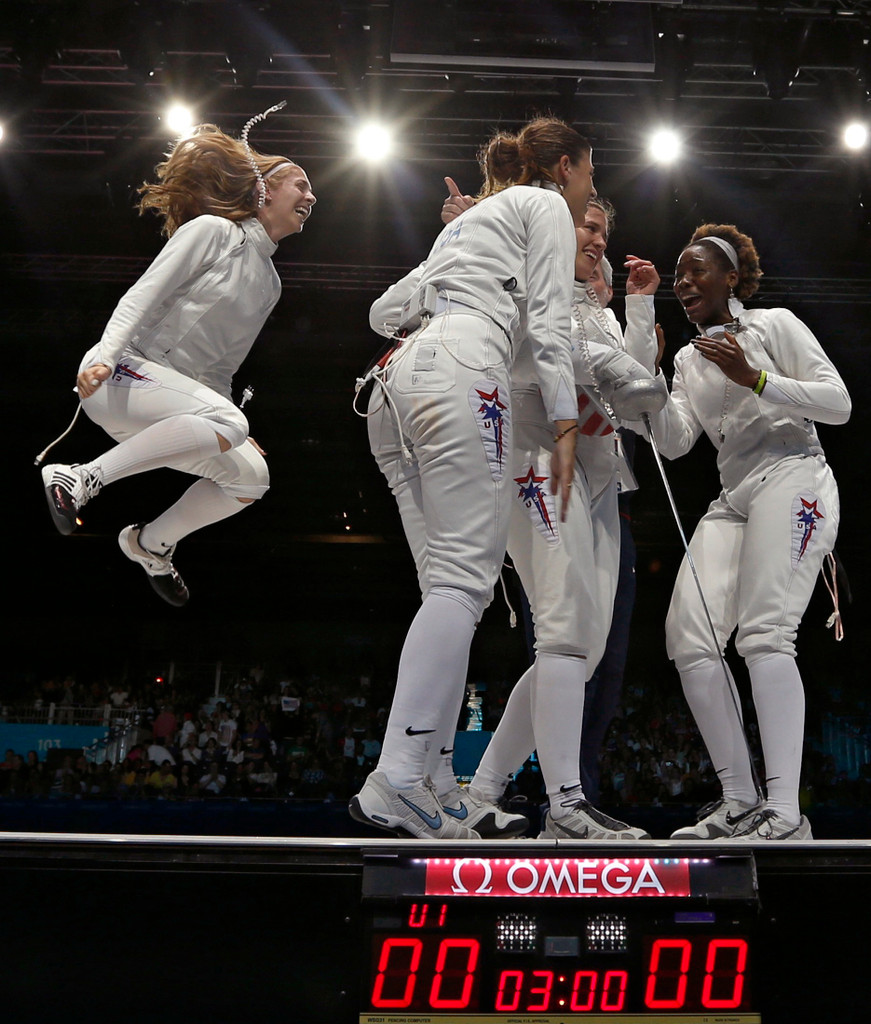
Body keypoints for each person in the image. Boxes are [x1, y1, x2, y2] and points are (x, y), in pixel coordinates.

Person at [350, 117, 594, 840]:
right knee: (463, 583)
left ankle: (426, 779)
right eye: (587, 174)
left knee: (447, 591)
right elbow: (549, 323)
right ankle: (396, 777)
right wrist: (563, 423)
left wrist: (466, 278)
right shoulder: (545, 205)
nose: (588, 191)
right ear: (563, 169)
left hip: (394, 383)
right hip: (462, 373)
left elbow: (382, 311)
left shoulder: (471, 221)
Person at [40, 105, 316, 605]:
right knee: (230, 424)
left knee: (253, 476)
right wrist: (104, 355)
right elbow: (141, 295)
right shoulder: (213, 231)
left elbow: (219, 370)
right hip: (120, 374)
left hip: (166, 409)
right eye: (300, 184)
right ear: (265, 190)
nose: (311, 196)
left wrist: (232, 429)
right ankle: (79, 477)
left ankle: (149, 544)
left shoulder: (270, 283)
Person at [459, 198, 664, 838]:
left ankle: (482, 792)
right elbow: (583, 367)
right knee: (564, 634)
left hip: (601, 478)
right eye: (589, 226)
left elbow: (639, 394)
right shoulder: (527, 284)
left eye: (606, 229)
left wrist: (636, 310)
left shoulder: (595, 308)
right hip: (536, 461)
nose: (599, 240)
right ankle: (566, 804)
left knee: (582, 648)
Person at [650, 223, 850, 840]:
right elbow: (675, 442)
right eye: (678, 275)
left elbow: (837, 403)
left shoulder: (776, 325)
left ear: (732, 277)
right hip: (733, 496)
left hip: (794, 475)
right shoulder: (688, 359)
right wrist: (651, 377)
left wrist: (755, 378)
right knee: (689, 636)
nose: (683, 283)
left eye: (697, 271)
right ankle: (739, 800)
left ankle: (785, 810)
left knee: (765, 634)